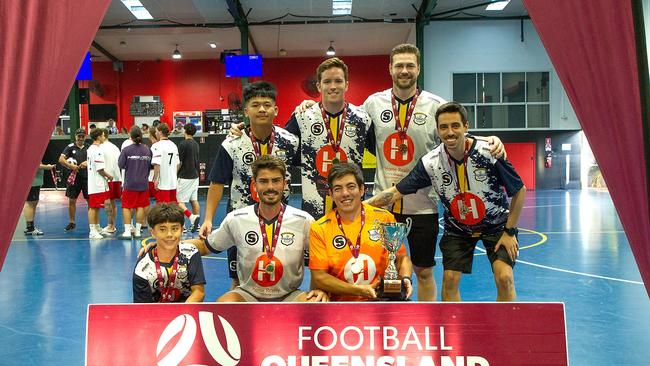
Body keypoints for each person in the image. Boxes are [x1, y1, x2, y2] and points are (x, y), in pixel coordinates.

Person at [366, 102, 526, 302]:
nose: (450, 132)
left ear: (466, 127)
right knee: (449, 280)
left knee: (504, 277)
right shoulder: (431, 162)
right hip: (458, 229)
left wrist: (510, 231)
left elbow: (519, 190)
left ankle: (505, 329)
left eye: (455, 126)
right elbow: (397, 192)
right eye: (443, 127)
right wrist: (361, 205)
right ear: (437, 130)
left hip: (496, 226)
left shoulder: (489, 153)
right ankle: (451, 330)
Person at [199, 81, 299, 290]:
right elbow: (217, 182)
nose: (262, 109)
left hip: (280, 220)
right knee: (238, 280)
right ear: (246, 110)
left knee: (282, 275)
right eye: (255, 105)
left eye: (267, 104)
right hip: (241, 220)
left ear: (276, 109)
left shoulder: (290, 142)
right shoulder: (231, 144)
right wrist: (208, 219)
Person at [199, 156, 325, 302]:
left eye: (276, 181)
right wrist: (175, 245)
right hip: (248, 295)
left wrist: (317, 289)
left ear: (284, 184)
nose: (270, 187)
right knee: (223, 306)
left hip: (290, 295)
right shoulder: (236, 219)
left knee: (316, 305)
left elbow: (322, 260)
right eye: (264, 181)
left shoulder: (304, 221)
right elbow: (205, 246)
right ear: (254, 185)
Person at [310, 163, 413, 301]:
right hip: (340, 305)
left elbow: (402, 258)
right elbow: (320, 277)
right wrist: (360, 290)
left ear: (362, 189)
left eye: (351, 186)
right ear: (331, 194)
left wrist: (406, 278)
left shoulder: (384, 218)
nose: (345, 193)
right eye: (338, 189)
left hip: (382, 300)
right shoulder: (319, 228)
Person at [133, 203, 205, 303]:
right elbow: (143, 309)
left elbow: (198, 292)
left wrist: (181, 315)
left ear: (181, 230)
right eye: (162, 229)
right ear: (152, 232)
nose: (169, 234)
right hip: (155, 316)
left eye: (174, 228)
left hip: (186, 314)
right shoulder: (142, 268)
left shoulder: (191, 253)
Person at [118, 126, 152, 239]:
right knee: (140, 206)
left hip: (130, 183)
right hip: (143, 183)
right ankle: (137, 232)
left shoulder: (126, 150)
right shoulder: (147, 150)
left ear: (130, 136)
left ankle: (127, 232)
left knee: (126, 206)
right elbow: (149, 167)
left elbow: (120, 165)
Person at [58, 127, 89, 232]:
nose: (80, 138)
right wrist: (70, 166)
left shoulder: (89, 148)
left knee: (90, 201)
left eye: (82, 136)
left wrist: (87, 163)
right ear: (75, 136)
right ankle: (72, 222)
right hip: (74, 179)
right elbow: (61, 159)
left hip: (87, 178)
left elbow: (95, 161)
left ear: (85, 136)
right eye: (79, 136)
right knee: (72, 200)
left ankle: (93, 223)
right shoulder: (70, 147)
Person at [86, 128, 113, 239]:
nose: (104, 137)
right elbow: (100, 169)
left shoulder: (91, 149)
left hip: (96, 183)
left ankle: (96, 227)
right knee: (93, 207)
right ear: (98, 137)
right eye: (102, 135)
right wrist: (109, 176)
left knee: (96, 207)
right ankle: (92, 230)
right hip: (96, 184)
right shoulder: (97, 150)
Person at [176, 123, 201, 232]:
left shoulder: (183, 144)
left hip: (185, 176)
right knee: (193, 200)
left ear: (185, 130)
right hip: (195, 175)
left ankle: (184, 225)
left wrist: (175, 173)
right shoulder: (196, 144)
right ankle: (197, 224)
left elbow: (179, 162)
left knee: (180, 202)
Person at [23, 162, 55, 235]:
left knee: (33, 203)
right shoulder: (31, 152)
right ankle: (30, 228)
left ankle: (31, 227)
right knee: (30, 203)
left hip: (36, 181)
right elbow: (34, 165)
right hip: (32, 181)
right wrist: (47, 167)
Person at [100, 129, 122, 235]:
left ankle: (110, 225)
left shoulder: (100, 148)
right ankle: (112, 225)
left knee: (107, 202)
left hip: (106, 177)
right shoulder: (115, 147)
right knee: (112, 202)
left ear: (103, 135)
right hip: (116, 178)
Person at [151, 123, 180, 203]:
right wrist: (174, 175)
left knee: (162, 209)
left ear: (160, 132)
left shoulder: (157, 146)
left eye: (156, 131)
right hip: (173, 182)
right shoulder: (173, 145)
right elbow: (178, 164)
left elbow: (157, 164)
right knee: (173, 207)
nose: (155, 133)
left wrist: (156, 179)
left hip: (163, 183)